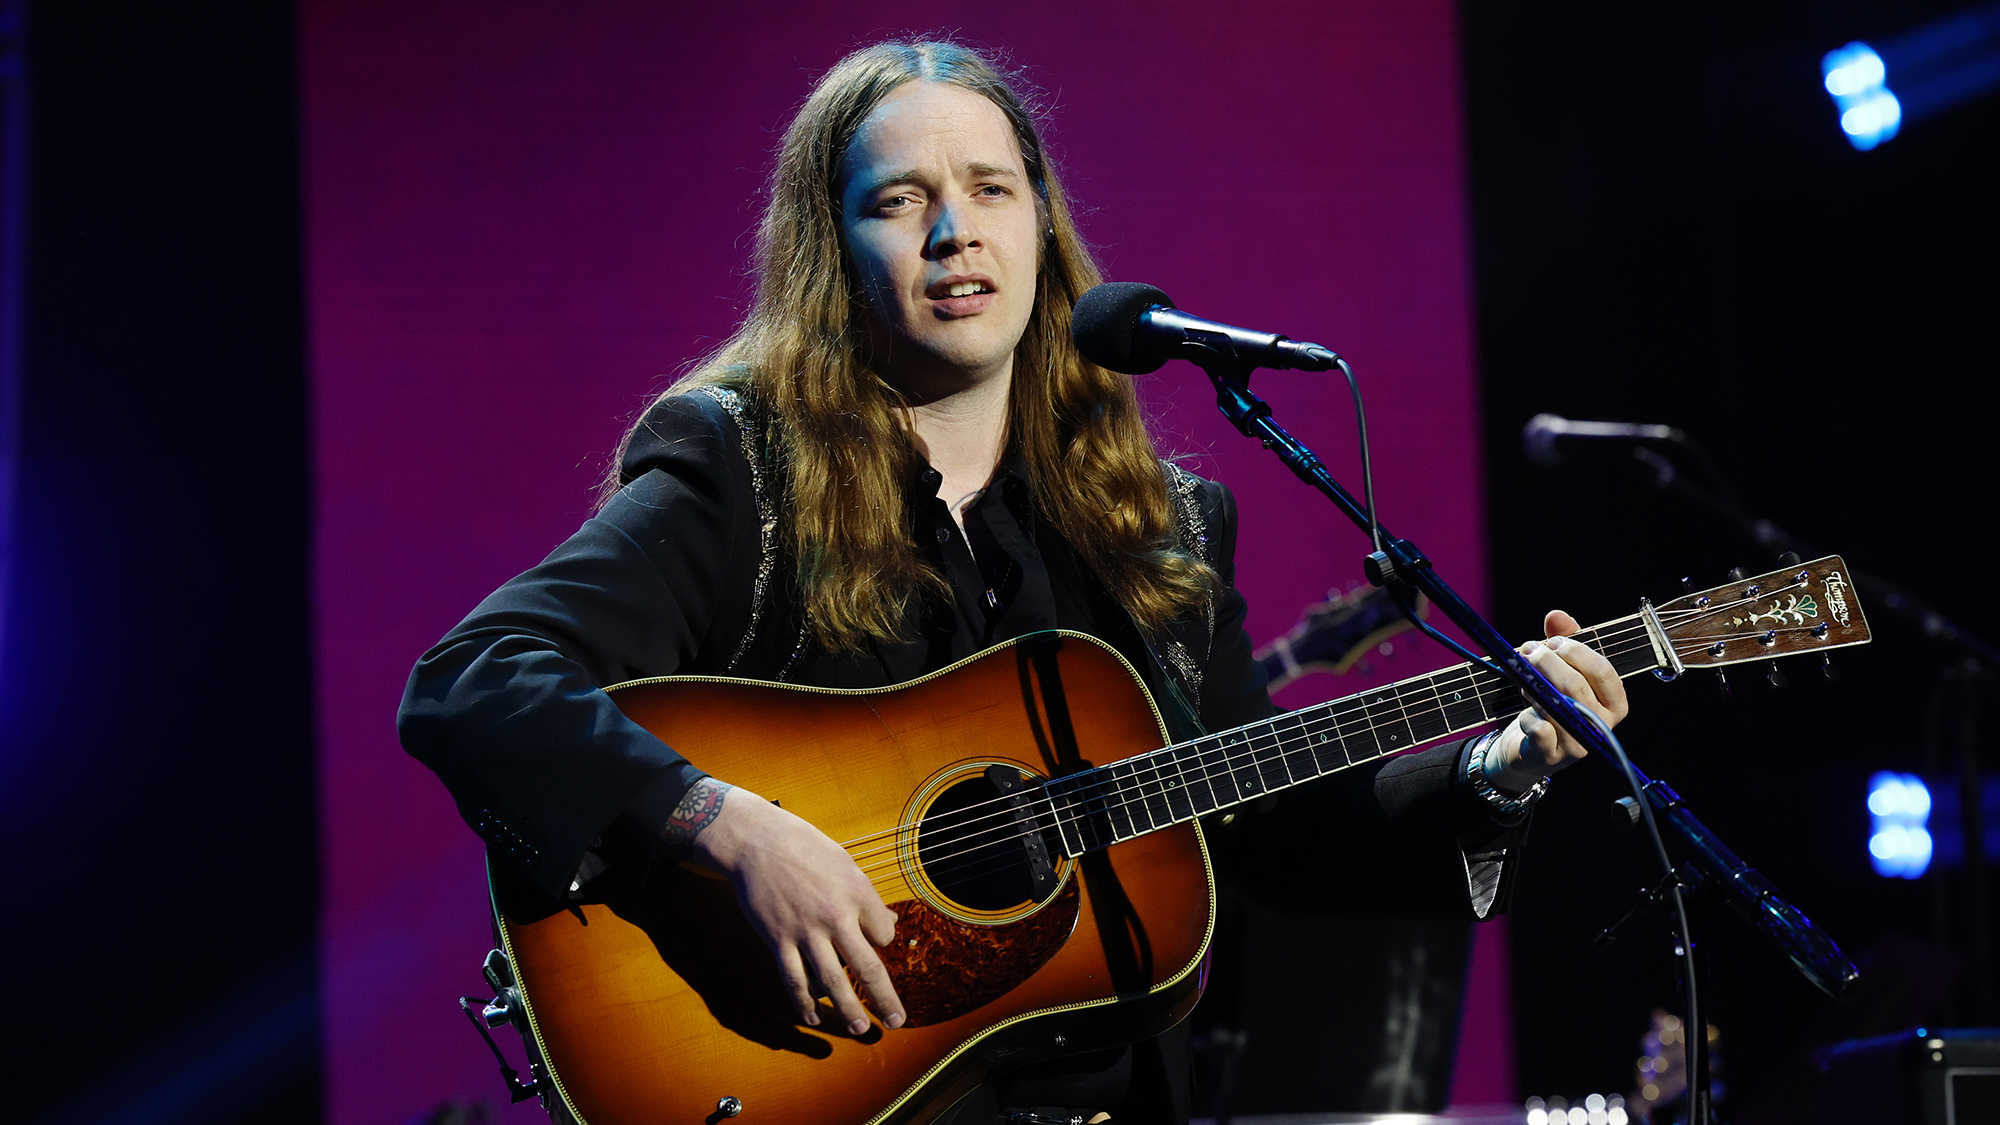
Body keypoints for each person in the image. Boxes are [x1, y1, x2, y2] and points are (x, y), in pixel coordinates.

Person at [397, 38, 1627, 1125]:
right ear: (834, 251)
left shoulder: (1168, 531)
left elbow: (1266, 824)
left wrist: (1497, 766)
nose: (955, 232)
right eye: (901, 201)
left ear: (1040, 224)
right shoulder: (742, 476)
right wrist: (722, 825)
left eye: (991, 189)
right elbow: (471, 682)